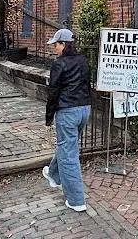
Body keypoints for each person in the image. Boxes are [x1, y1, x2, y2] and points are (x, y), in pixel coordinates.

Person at [42, 29, 92, 212]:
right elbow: (88, 83)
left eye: (56, 44)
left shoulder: (59, 64)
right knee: (67, 146)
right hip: (84, 109)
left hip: (67, 112)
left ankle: (76, 200)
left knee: (69, 155)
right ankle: (54, 176)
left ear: (64, 44)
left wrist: (48, 119)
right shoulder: (83, 60)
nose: (54, 48)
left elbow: (53, 92)